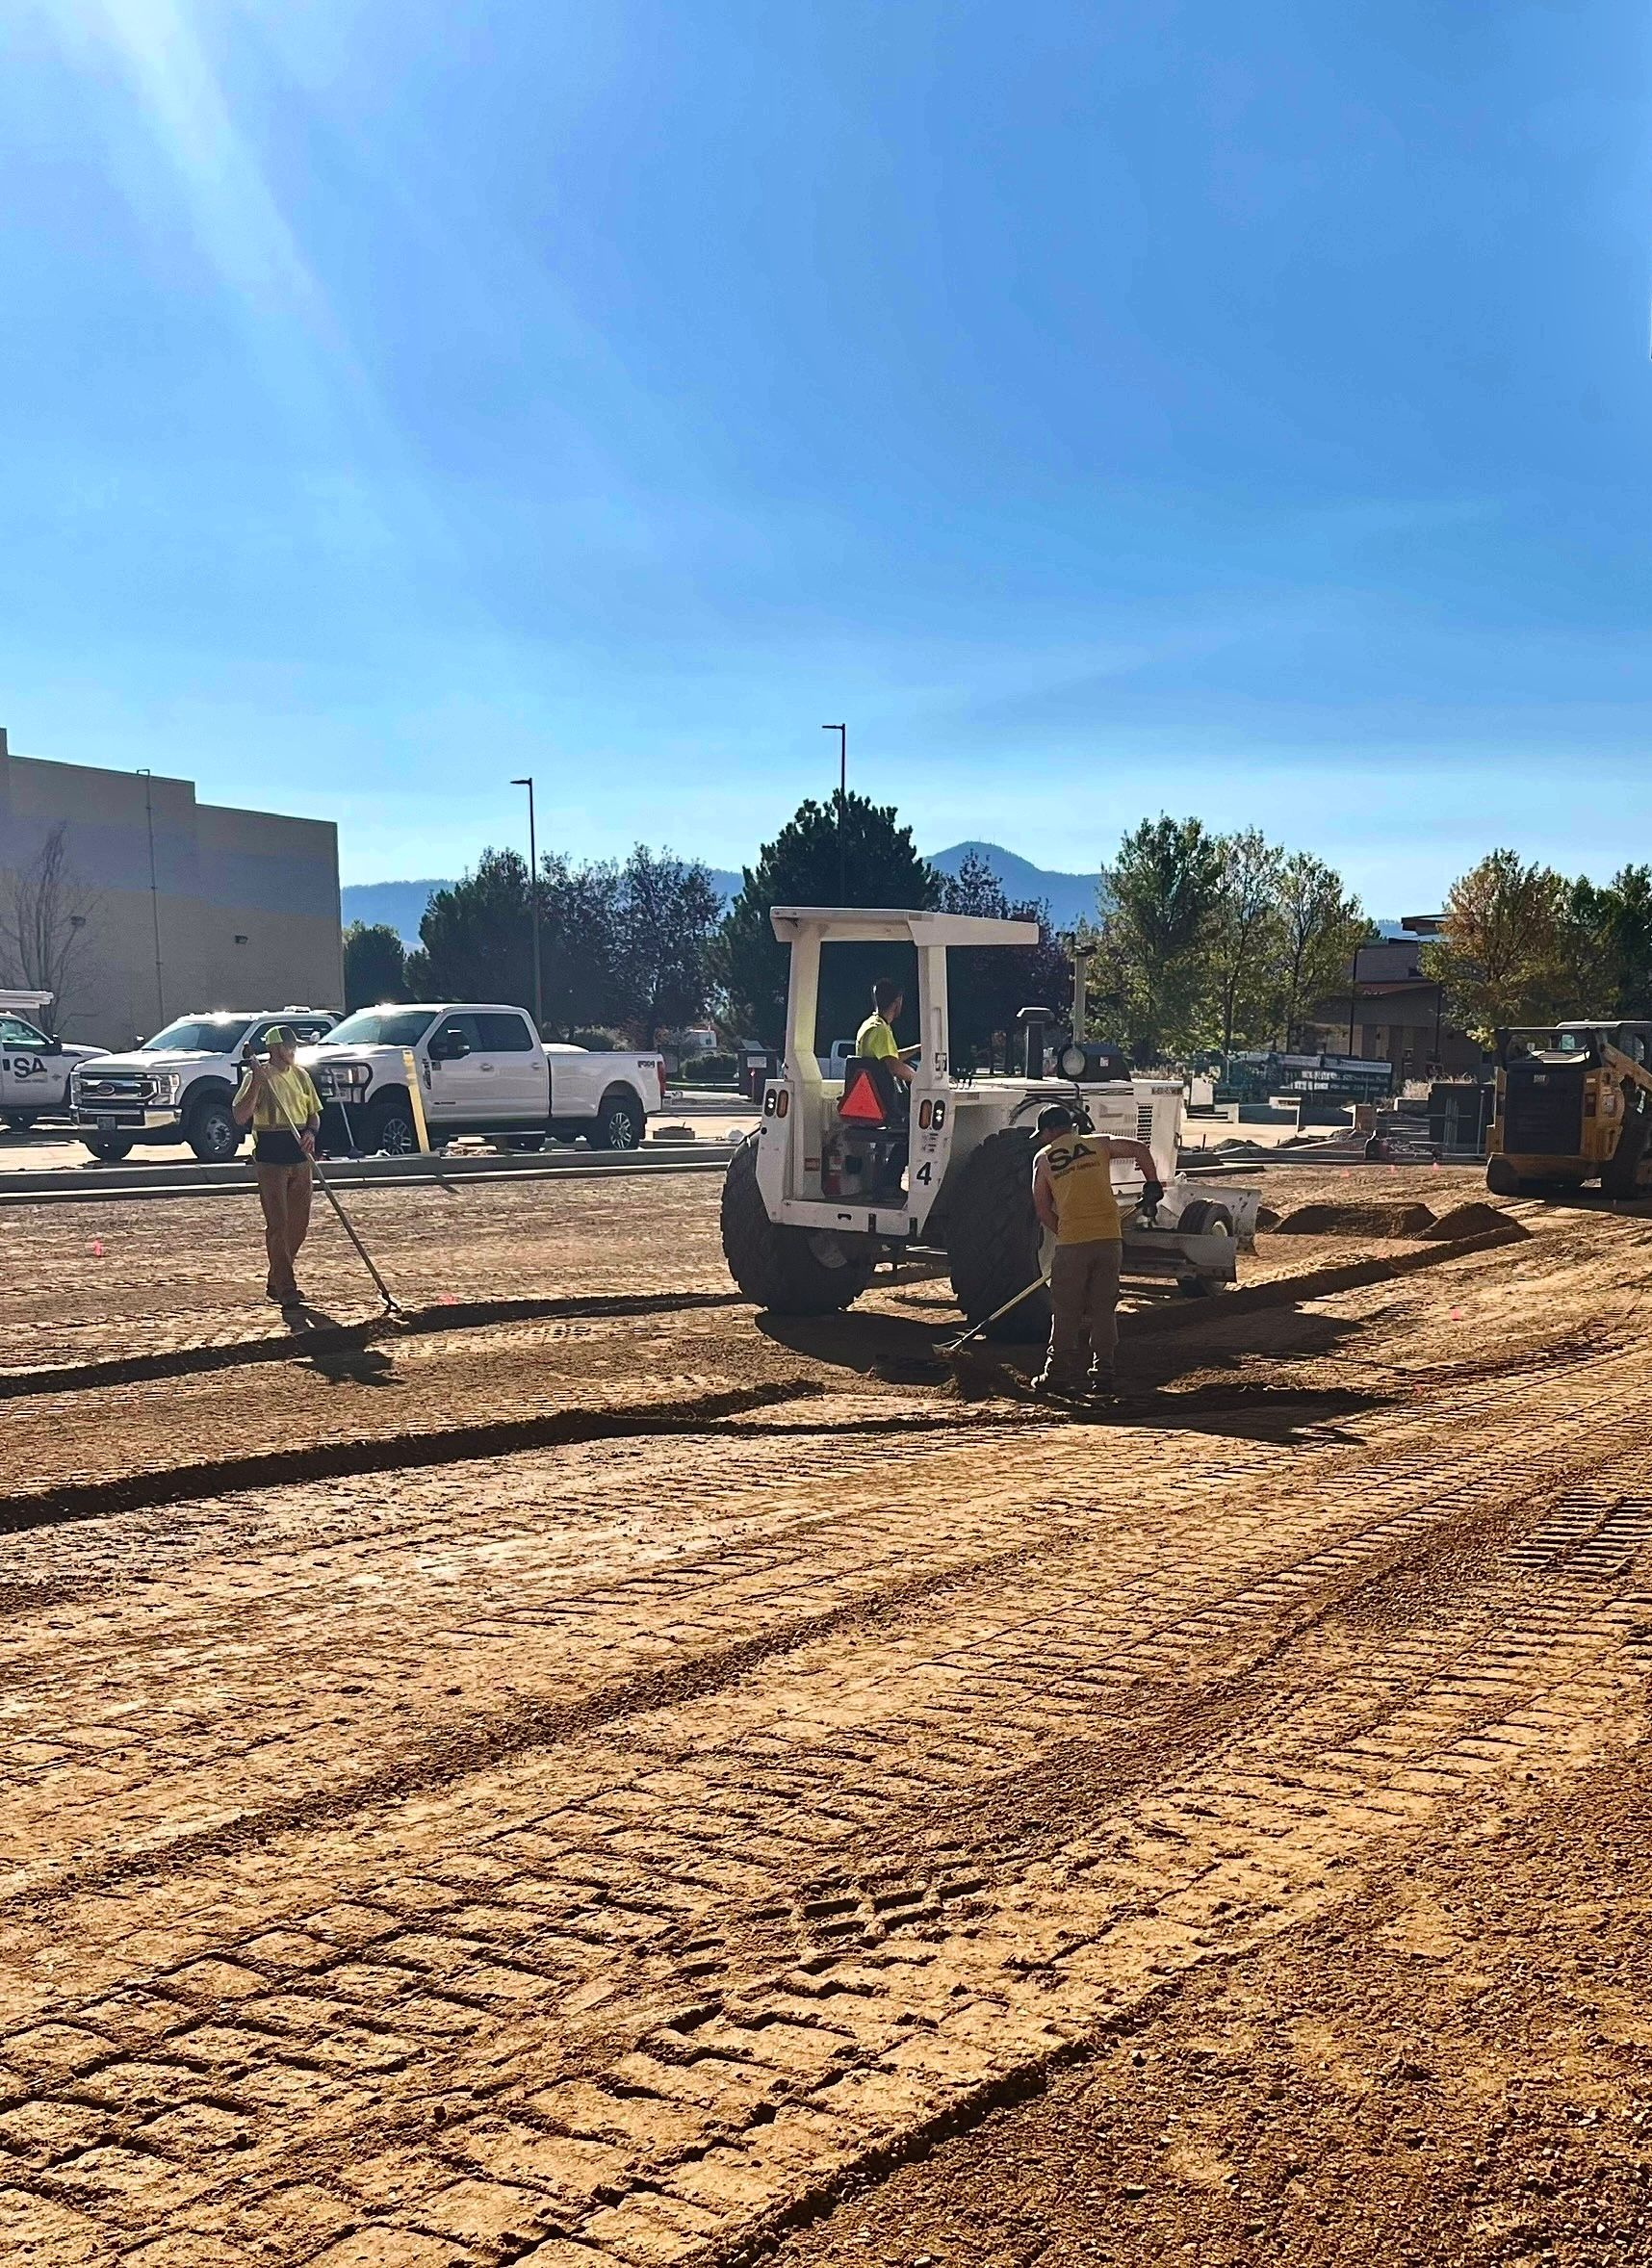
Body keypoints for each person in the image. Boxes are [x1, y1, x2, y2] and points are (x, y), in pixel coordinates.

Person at [1030, 1103, 1162, 1397]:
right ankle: (1104, 1374)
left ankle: (1057, 1375)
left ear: (1051, 1131)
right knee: (1104, 1310)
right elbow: (1139, 1148)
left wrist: (1064, 1231)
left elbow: (1041, 1209)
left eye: (1042, 1133)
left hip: (1073, 1242)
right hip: (1110, 1240)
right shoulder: (1098, 1144)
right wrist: (1151, 1183)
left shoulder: (1043, 1158)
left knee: (1066, 1311)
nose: (1041, 1138)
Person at [233, 1026, 323, 1308]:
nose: (293, 1050)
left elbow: (313, 1115)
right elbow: (240, 1116)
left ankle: (276, 1276)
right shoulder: (257, 1076)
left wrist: (311, 1132)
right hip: (272, 1160)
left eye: (294, 1046)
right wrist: (258, 1083)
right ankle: (286, 1286)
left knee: (298, 1226)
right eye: (287, 1046)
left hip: (300, 1159)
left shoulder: (301, 1076)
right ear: (273, 1049)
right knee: (278, 1225)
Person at [854, 979, 921, 1088]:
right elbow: (894, 1066)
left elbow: (889, 1058)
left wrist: (916, 1049)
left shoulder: (870, 1024)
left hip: (869, 1089)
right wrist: (920, 1078)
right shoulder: (880, 1030)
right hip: (880, 1094)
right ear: (897, 1002)